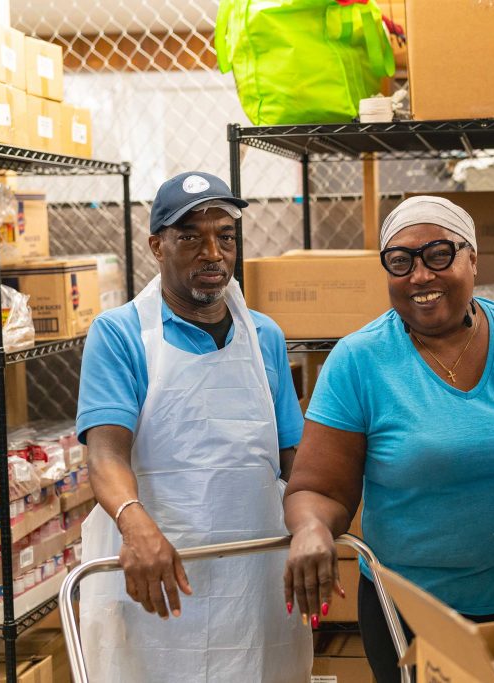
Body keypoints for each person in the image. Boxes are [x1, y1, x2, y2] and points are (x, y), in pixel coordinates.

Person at [282, 196, 494, 683]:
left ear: (473, 258)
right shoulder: (358, 362)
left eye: (439, 254)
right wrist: (312, 529)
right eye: (400, 262)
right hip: (413, 612)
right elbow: (317, 489)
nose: (420, 276)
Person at [75, 171, 312, 682]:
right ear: (158, 247)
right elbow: (105, 454)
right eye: (190, 237)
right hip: (157, 574)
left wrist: (314, 523)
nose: (213, 253)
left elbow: (292, 455)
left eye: (225, 236)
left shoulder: (263, 336)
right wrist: (135, 526)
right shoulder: (121, 335)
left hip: (254, 575)